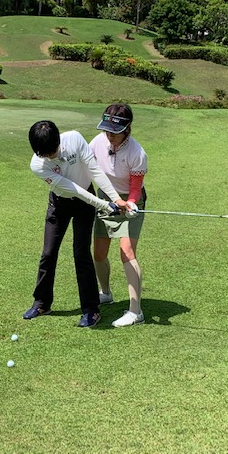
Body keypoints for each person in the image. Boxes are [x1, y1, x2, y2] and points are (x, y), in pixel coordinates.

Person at [24, 120, 128, 328]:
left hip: (84, 205)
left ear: (58, 141)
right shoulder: (37, 165)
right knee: (48, 253)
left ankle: (91, 310)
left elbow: (94, 170)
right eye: (45, 155)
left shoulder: (74, 139)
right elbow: (71, 188)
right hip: (59, 203)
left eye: (52, 151)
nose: (50, 157)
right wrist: (104, 205)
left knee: (81, 254)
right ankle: (42, 303)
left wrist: (115, 199)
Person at [90, 104, 148, 327]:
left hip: (131, 203)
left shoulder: (137, 153)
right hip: (106, 200)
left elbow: (135, 187)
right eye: (107, 130)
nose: (110, 136)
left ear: (127, 129)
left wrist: (130, 203)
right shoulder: (98, 142)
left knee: (127, 251)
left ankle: (135, 312)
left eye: (115, 132)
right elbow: (86, 164)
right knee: (99, 253)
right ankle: (105, 293)